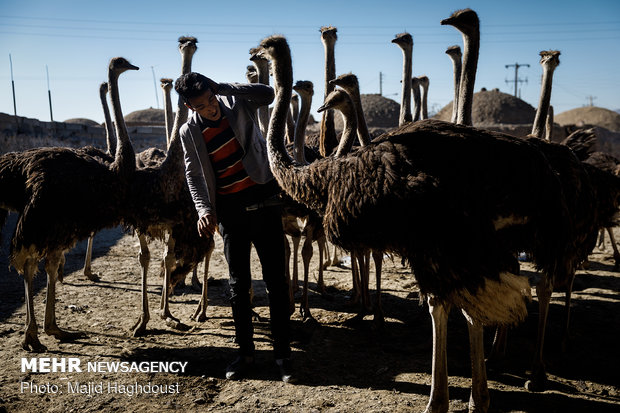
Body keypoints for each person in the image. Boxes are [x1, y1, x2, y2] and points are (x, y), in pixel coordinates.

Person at [175, 72, 294, 383]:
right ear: (190, 106)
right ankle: (246, 353)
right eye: (203, 105)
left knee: (276, 283)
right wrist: (204, 210)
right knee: (238, 287)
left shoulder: (236, 103)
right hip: (231, 212)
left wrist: (224, 88)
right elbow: (195, 175)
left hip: (264, 199)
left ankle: (284, 355)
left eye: (212, 99)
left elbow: (267, 93)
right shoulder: (189, 133)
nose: (212, 107)